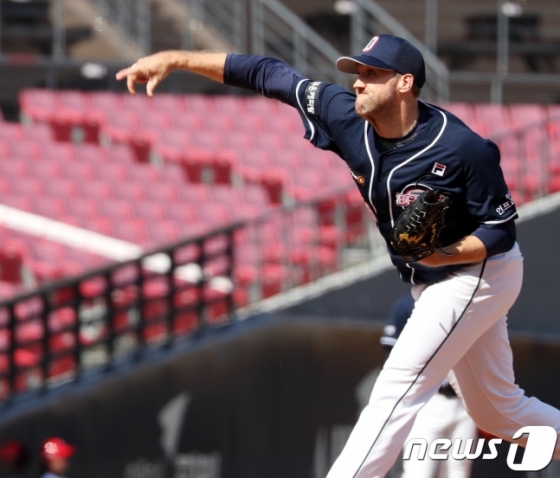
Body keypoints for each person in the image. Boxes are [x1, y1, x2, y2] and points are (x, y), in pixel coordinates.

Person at [116, 35, 560, 477]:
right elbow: (269, 73)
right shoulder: (343, 115)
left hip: (475, 273)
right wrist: (176, 58)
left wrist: (443, 253)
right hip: (429, 279)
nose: (359, 84)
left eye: (372, 74)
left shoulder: (461, 147)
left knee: (398, 385)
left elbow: (500, 232)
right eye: (358, 73)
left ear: (405, 83)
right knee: (497, 414)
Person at [381, 294, 477, 478]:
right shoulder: (409, 304)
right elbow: (390, 356)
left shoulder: (470, 302)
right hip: (427, 401)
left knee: (458, 472)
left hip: (465, 403)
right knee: (418, 472)